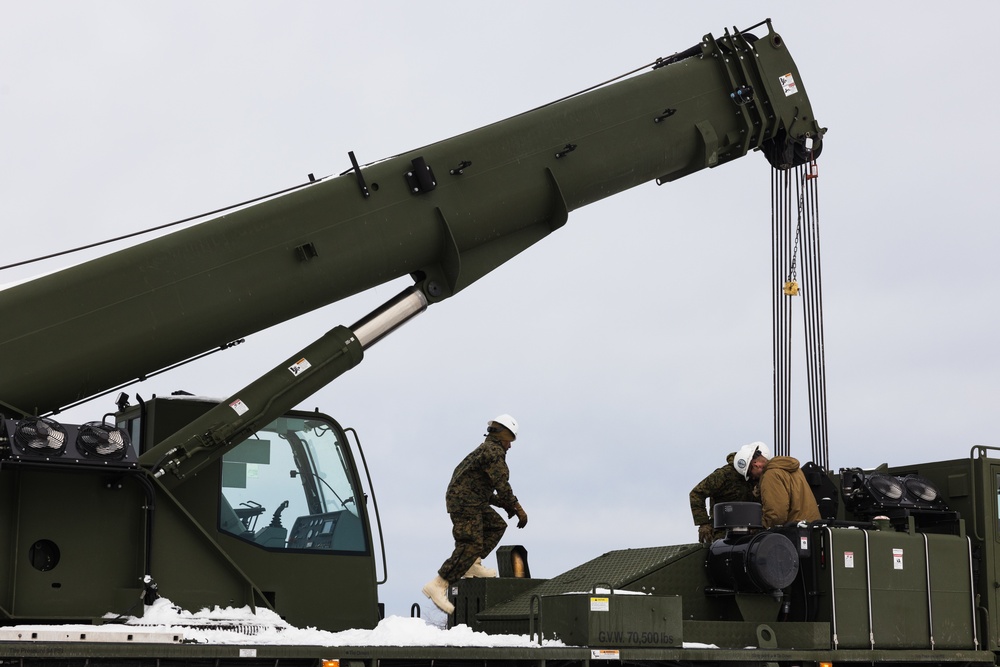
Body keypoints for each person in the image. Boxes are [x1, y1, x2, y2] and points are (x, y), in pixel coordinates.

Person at [422, 414, 528, 614]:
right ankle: (439, 584)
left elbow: (484, 490)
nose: (510, 446)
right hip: (465, 503)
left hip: (471, 500)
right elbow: (502, 486)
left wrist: (506, 506)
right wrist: (517, 508)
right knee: (470, 543)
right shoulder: (493, 453)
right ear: (503, 436)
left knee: (496, 525)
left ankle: (472, 563)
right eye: (510, 440)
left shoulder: (486, 450)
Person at [690, 442, 769, 544]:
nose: (753, 478)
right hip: (723, 532)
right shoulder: (723, 476)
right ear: (754, 465)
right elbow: (696, 493)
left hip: (752, 532)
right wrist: (703, 523)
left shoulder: (760, 477)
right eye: (751, 474)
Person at [734, 445, 820, 528]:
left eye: (749, 473)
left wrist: (758, 527)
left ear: (756, 464)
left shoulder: (770, 476)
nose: (752, 478)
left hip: (795, 533)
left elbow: (776, 516)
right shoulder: (790, 469)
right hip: (810, 528)